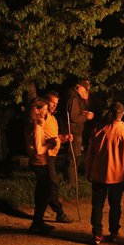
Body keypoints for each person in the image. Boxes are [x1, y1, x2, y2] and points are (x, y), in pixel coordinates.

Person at [85, 102, 124, 245]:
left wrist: (88, 171)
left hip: (99, 174)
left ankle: (97, 233)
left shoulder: (98, 132)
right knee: (115, 206)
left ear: (110, 114)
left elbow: (90, 154)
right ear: (123, 115)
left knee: (97, 205)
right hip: (118, 176)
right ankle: (113, 232)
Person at [25, 97, 58, 234]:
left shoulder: (31, 123)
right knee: (46, 191)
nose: (46, 112)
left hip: (36, 162)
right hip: (40, 162)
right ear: (36, 110)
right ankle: (37, 223)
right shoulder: (37, 128)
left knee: (43, 191)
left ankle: (38, 222)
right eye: (43, 110)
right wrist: (51, 144)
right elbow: (39, 149)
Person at [42, 91, 74, 223]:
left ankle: (42, 210)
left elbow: (54, 136)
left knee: (46, 184)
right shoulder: (42, 117)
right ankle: (59, 212)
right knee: (53, 182)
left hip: (52, 155)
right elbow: (38, 134)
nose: (54, 106)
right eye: (52, 103)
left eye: (56, 104)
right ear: (46, 101)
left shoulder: (52, 118)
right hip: (45, 154)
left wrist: (63, 138)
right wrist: (49, 142)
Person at [66, 78, 95, 187]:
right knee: (74, 157)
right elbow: (74, 117)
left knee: (75, 157)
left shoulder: (75, 96)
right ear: (78, 87)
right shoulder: (74, 98)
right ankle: (72, 184)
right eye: (85, 89)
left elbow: (74, 113)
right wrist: (86, 116)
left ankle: (72, 181)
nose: (86, 92)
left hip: (75, 131)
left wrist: (82, 112)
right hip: (74, 132)